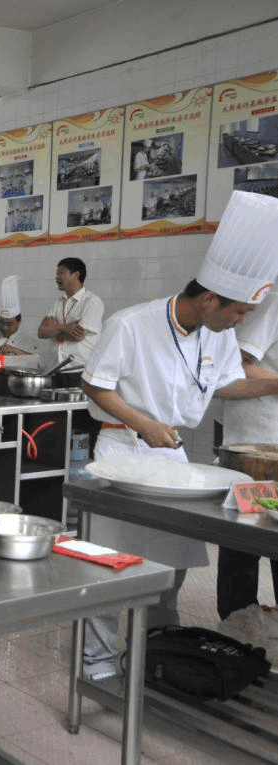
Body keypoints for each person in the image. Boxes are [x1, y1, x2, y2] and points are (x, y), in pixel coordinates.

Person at [78, 190, 278, 680]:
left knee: (171, 562)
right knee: (113, 563)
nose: (240, 322)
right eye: (236, 312)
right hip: (122, 452)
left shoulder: (218, 333)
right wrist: (142, 422)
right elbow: (94, 382)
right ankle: (98, 663)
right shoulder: (132, 325)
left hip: (174, 459)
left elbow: (227, 382)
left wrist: (270, 384)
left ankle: (155, 650)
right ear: (209, 298)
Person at [215, 290, 278, 620]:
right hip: (256, 450)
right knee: (246, 540)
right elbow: (238, 365)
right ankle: (237, 634)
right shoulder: (274, 305)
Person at [37, 257, 103, 367]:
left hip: (79, 370)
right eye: (57, 273)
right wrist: (66, 328)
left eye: (61, 273)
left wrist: (54, 330)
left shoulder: (92, 302)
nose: (56, 277)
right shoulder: (58, 302)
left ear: (76, 275)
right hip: (56, 368)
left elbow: (78, 336)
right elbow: (41, 332)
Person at [0, 276, 44, 359]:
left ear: (19, 321)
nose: (4, 327)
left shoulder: (28, 342)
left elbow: (37, 362)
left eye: (9, 324)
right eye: (1, 322)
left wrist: (14, 350)